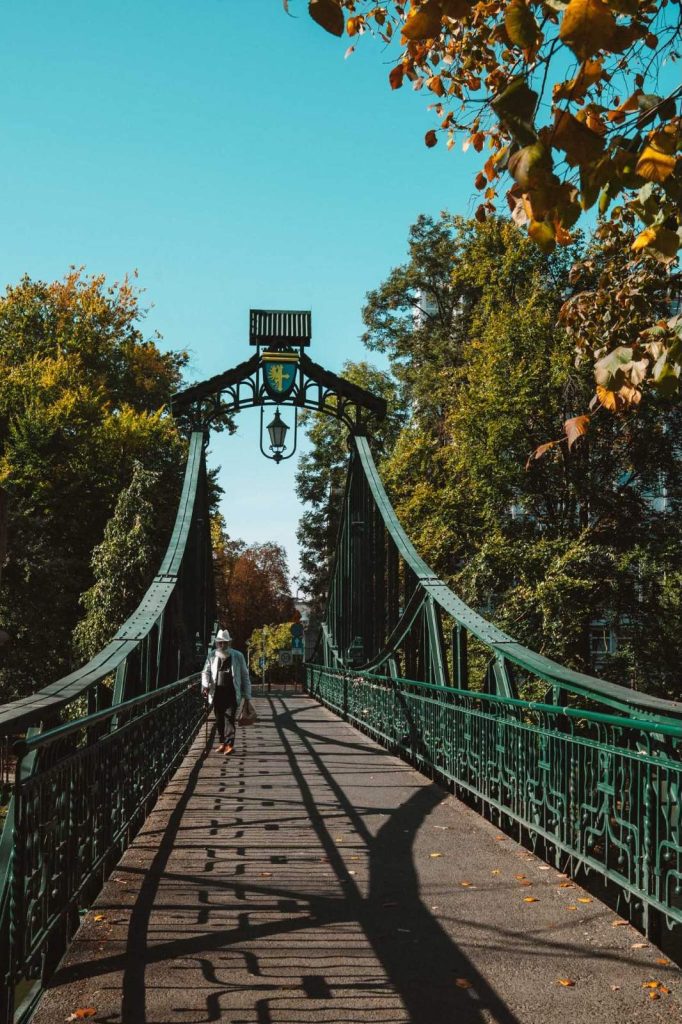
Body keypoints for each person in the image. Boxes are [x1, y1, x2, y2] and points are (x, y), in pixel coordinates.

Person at [201, 628, 252, 754]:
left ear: (229, 643)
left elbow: (245, 675)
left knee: (229, 718)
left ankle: (229, 744)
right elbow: (205, 672)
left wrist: (247, 695)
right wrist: (205, 685)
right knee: (219, 719)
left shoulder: (238, 656)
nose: (222, 645)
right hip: (217, 692)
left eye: (225, 642)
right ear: (217, 643)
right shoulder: (212, 655)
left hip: (232, 692)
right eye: (220, 642)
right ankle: (222, 743)